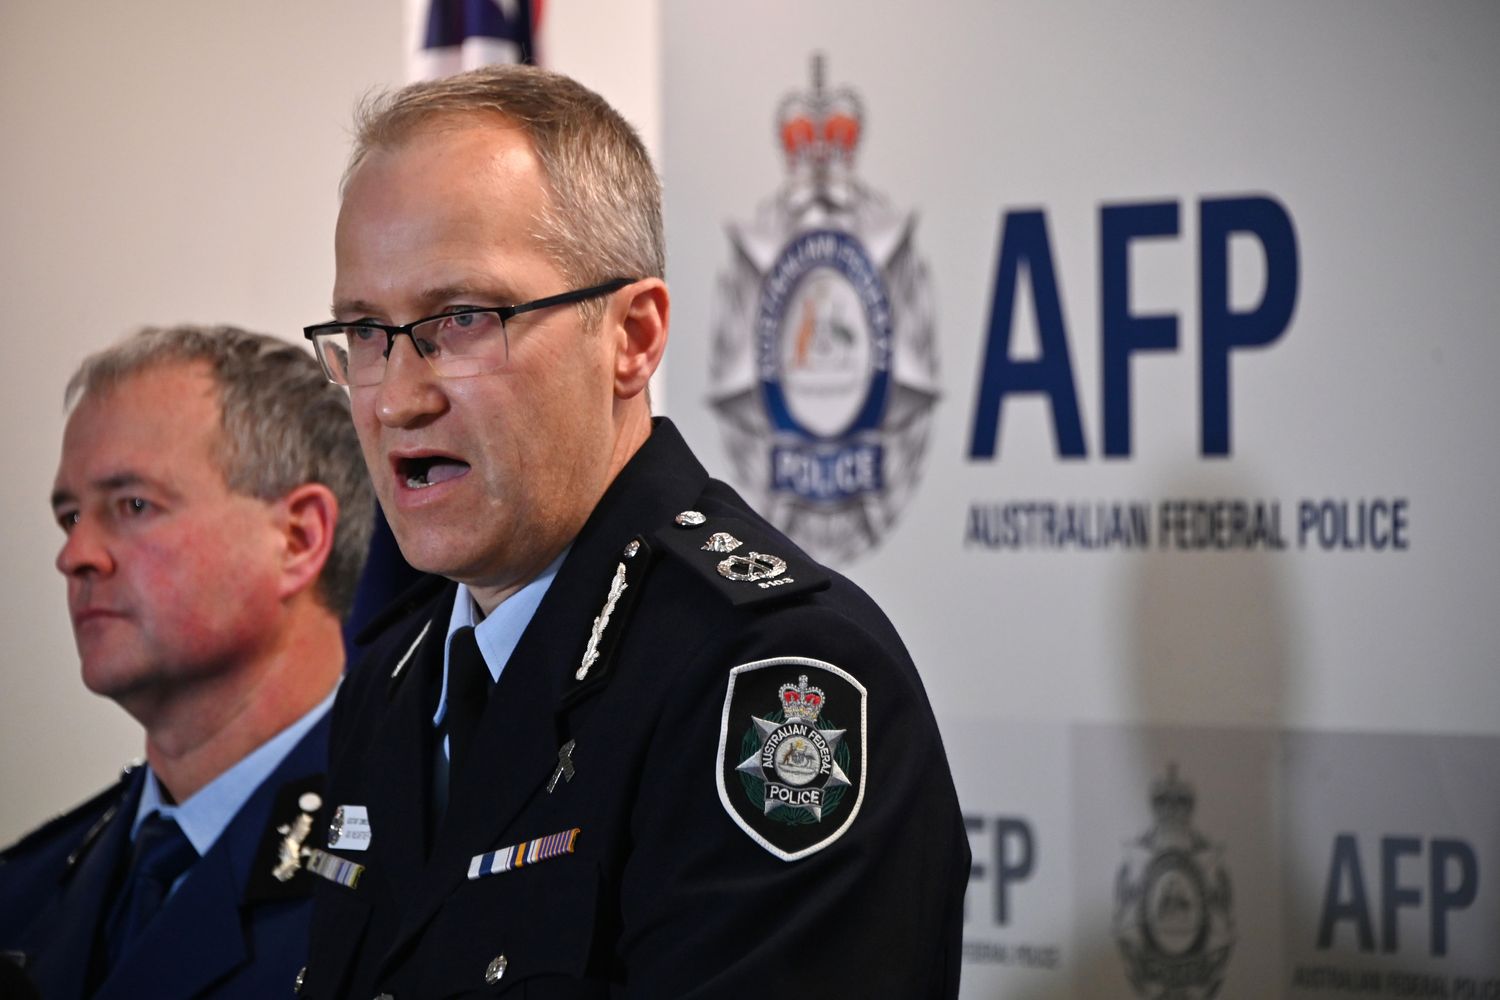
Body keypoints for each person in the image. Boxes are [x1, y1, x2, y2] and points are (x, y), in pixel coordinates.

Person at [298, 64, 969, 998]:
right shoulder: (392, 681)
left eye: (460, 319)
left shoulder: (772, 681)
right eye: (365, 333)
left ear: (634, 337)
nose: (396, 398)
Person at [0, 326, 375, 999]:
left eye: (134, 505)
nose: (76, 554)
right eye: (69, 516)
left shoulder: (412, 875)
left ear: (298, 538)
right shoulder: (23, 889)